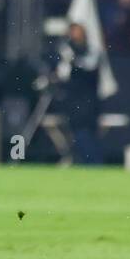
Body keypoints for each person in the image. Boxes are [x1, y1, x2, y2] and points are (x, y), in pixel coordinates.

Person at [53, 23, 103, 164]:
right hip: (73, 102)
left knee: (87, 133)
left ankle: (93, 163)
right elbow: (62, 75)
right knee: (77, 133)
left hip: (88, 102)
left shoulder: (91, 50)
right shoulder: (66, 53)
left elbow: (90, 66)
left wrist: (73, 60)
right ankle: (84, 161)